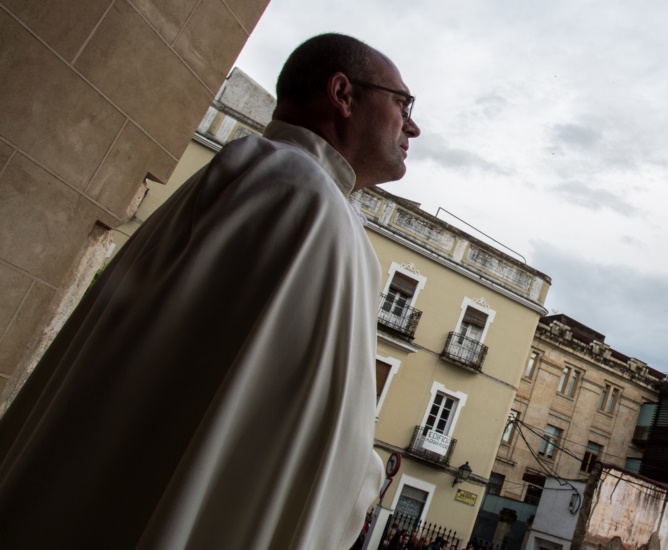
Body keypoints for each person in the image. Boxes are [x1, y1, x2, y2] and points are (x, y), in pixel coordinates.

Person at [0, 33, 420, 548]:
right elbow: (290, 432)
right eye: (402, 104)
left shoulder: (263, 178)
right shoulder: (304, 200)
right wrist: (365, 477)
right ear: (344, 94)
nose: (413, 126)